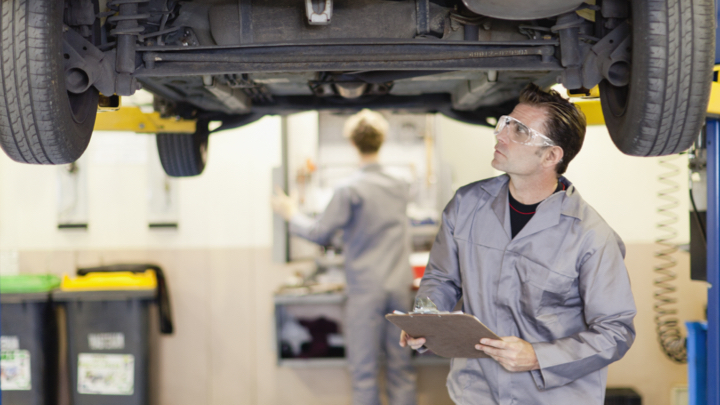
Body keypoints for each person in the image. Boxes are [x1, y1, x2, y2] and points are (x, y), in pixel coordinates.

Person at [399, 84, 637, 405]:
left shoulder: (590, 236)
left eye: (520, 131)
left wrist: (538, 357)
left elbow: (615, 332)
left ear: (551, 156)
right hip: (476, 393)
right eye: (505, 123)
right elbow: (442, 279)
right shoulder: (466, 205)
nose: (501, 136)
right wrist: (426, 321)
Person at [272, 109, 417, 405]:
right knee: (401, 368)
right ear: (382, 140)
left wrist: (291, 214)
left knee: (364, 372)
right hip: (399, 288)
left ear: (352, 143)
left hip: (366, 290)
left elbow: (319, 233)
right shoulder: (401, 183)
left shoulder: (349, 188)